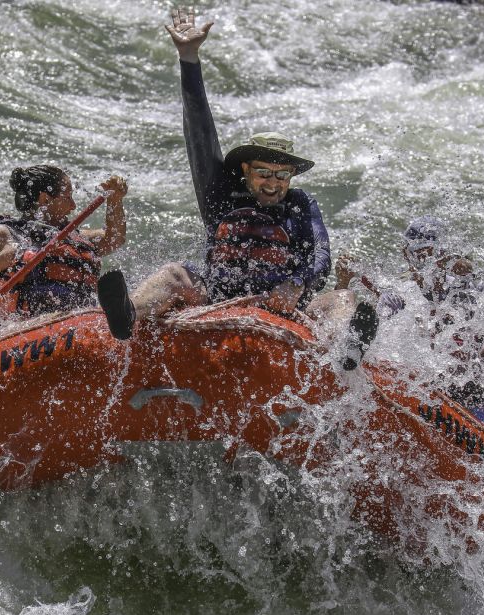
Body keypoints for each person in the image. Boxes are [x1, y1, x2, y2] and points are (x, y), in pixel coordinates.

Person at [97, 7, 376, 367]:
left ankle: (346, 353)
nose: (273, 184)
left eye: (282, 175)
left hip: (282, 301)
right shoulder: (220, 193)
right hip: (216, 296)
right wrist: (189, 57)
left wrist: (296, 283)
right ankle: (128, 314)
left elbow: (321, 259)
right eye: (264, 172)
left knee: (340, 299)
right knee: (173, 273)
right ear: (245, 169)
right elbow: (199, 131)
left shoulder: (301, 204)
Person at [336, 216, 484, 434]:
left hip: (471, 398)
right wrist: (343, 283)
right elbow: (387, 344)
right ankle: (349, 349)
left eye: (435, 255)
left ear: (449, 256)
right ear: (407, 256)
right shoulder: (400, 295)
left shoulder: (471, 292)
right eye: (420, 256)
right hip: (422, 390)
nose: (430, 265)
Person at [0, 165, 127, 316]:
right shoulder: (3, 235)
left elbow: (114, 239)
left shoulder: (76, 237)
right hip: (22, 333)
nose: (73, 206)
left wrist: (114, 201)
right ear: (45, 199)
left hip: (79, 322)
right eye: (67, 197)